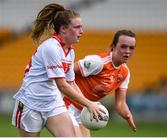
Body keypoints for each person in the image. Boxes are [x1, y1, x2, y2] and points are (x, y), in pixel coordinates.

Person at [11, 3, 103, 137]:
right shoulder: (51, 48)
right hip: (30, 103)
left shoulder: (70, 52)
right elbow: (62, 86)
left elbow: (71, 83)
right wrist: (89, 104)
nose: (81, 31)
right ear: (64, 29)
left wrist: (88, 104)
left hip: (53, 103)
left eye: (81, 27)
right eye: (77, 27)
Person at [64, 29, 137, 136]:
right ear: (113, 46)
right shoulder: (98, 62)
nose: (127, 51)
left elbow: (120, 103)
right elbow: (66, 72)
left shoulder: (124, 73)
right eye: (123, 46)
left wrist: (128, 116)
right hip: (67, 104)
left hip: (84, 110)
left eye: (131, 48)